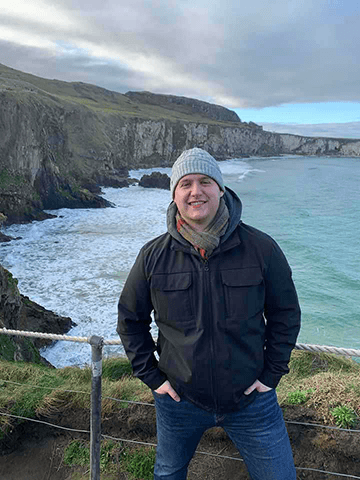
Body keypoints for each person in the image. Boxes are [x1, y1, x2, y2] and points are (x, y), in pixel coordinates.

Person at [117, 147, 301, 480]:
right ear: (175, 194)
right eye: (185, 183)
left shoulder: (262, 248)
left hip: (251, 402)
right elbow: (130, 319)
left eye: (205, 181)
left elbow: (286, 313)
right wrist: (153, 379)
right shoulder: (153, 256)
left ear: (220, 189)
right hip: (178, 402)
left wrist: (270, 375)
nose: (195, 191)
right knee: (168, 475)